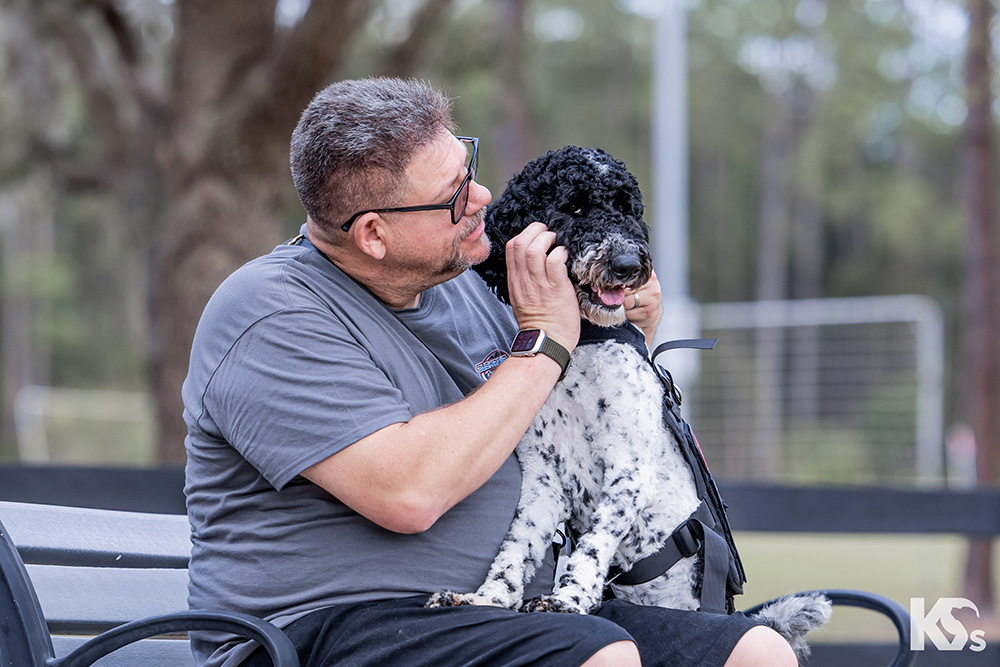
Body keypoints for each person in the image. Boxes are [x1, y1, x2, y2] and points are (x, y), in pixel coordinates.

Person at [182, 76, 796, 667]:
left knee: (757, 652)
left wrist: (626, 332)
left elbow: (574, 419)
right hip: (326, 629)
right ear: (373, 233)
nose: (480, 199)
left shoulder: (467, 288)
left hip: (505, 611)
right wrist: (546, 342)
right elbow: (409, 494)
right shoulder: (269, 313)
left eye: (469, 168)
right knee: (599, 655)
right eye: (453, 195)